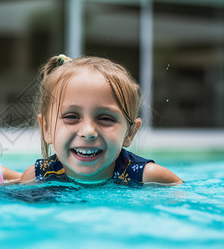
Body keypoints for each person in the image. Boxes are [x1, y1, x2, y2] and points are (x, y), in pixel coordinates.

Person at [21, 55, 182, 185]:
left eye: (105, 118)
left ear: (130, 133)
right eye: (71, 117)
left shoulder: (150, 177)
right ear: (46, 129)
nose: (88, 131)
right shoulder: (37, 176)